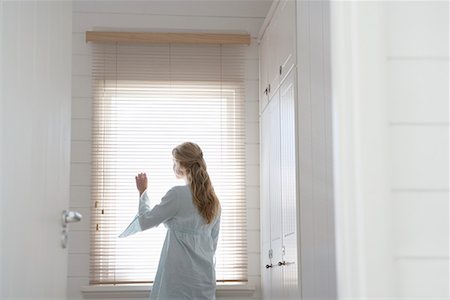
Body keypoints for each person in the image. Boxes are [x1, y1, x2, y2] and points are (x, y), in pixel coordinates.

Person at [133, 142, 221, 300]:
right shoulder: (214, 201)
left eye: (174, 162)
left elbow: (144, 222)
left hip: (179, 280)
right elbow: (212, 245)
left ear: (182, 165)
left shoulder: (177, 195)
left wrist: (143, 192)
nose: (172, 166)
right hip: (204, 279)